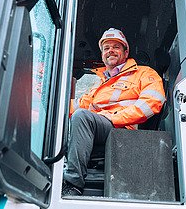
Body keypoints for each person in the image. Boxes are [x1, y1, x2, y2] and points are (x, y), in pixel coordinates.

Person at [62, 28, 166, 196]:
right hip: (99, 126)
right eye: (106, 48)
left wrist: (112, 117)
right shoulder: (101, 83)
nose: (110, 50)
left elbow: (152, 103)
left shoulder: (144, 73)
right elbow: (79, 106)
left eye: (116, 47)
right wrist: (43, 105)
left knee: (82, 118)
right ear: (103, 55)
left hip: (124, 131)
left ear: (126, 52)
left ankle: (73, 185)